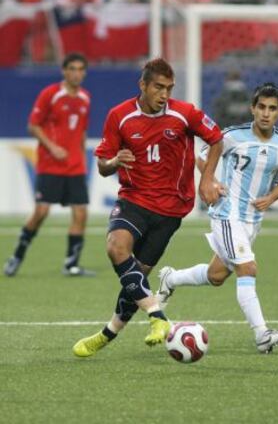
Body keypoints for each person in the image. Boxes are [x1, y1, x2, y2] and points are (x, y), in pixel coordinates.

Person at [72, 57, 224, 356]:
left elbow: (216, 139)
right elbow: (103, 164)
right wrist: (114, 161)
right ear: (143, 85)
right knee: (116, 248)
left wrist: (207, 180)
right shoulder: (120, 116)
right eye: (158, 87)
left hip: (171, 209)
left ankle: (107, 333)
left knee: (136, 278)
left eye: (169, 88)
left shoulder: (185, 114)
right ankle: (159, 317)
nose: (164, 94)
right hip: (134, 200)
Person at [157, 82, 278, 354]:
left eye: (272, 109)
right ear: (252, 109)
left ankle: (170, 279)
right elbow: (202, 157)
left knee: (216, 275)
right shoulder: (232, 136)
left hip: (251, 220)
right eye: (262, 107)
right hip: (227, 212)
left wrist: (272, 198)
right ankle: (262, 335)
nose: (266, 113)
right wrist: (212, 181)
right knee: (248, 268)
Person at [3, 52, 95, 278]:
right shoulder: (50, 94)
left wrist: (82, 157)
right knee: (41, 212)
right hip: (50, 165)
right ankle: (17, 255)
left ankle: (71, 264)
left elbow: (82, 130)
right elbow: (33, 126)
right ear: (64, 71)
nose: (77, 73)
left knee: (81, 213)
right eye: (72, 68)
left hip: (75, 166)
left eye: (81, 69)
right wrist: (52, 147)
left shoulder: (85, 97)